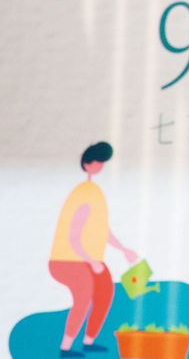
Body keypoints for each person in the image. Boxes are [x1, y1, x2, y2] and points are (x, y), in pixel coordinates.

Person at [47, 142, 138, 356]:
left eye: (101, 162)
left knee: (105, 291)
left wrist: (123, 249)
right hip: (67, 259)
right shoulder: (83, 193)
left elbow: (102, 230)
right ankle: (65, 347)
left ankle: (88, 341)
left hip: (88, 259)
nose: (100, 166)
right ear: (87, 164)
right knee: (84, 296)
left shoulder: (95, 192)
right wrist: (91, 261)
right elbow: (73, 235)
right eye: (97, 162)